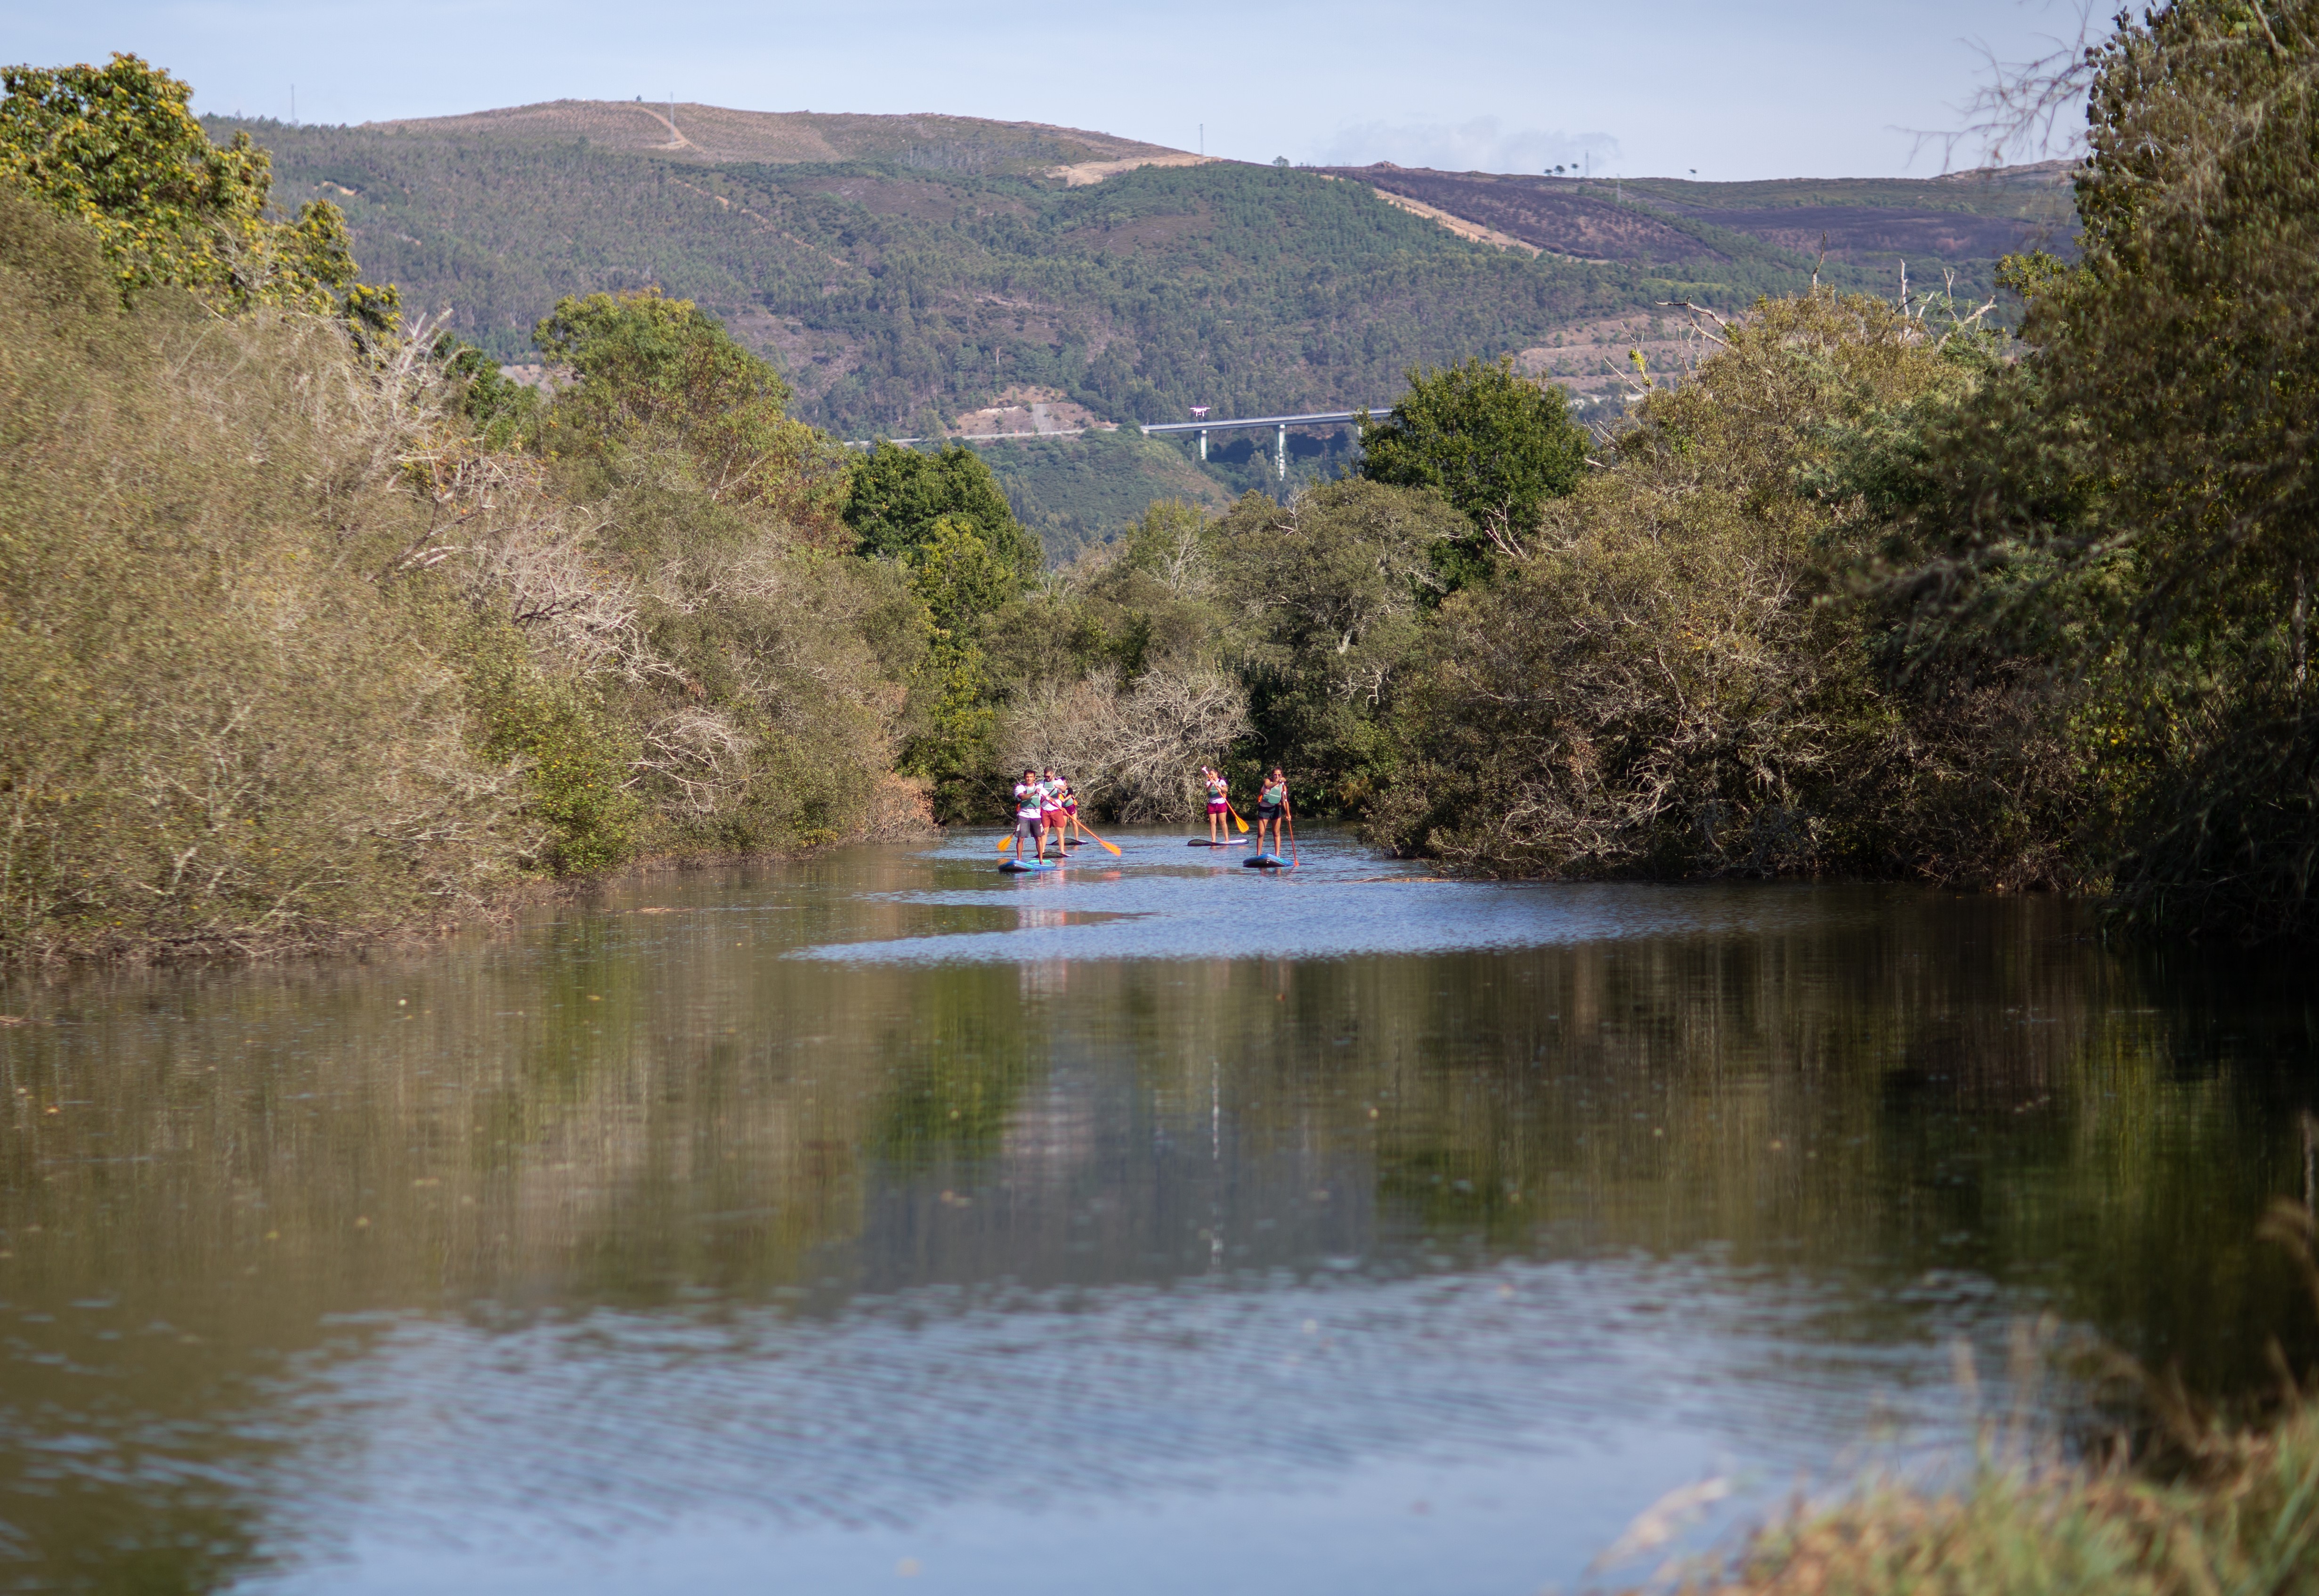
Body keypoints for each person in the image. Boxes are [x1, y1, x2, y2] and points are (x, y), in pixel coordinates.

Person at [1255, 767, 1291, 859]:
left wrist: (1288, 814)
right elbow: (1268, 787)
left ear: (1281, 776)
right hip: (1264, 810)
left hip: (1276, 809)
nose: (1277, 776)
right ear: (1272, 775)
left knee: (1276, 833)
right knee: (1261, 833)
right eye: (1275, 775)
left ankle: (1277, 855)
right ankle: (1258, 855)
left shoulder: (1283, 787)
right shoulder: (1268, 781)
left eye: (1279, 775)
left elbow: (1285, 801)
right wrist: (1278, 782)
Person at [1010, 768, 1044, 863]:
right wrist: (1034, 793)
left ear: (1034, 778)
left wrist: (1057, 805)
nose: (1029, 779)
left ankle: (1041, 861)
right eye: (1027, 777)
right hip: (1023, 815)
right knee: (1021, 838)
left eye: (1031, 777)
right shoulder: (1020, 788)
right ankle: (1019, 860)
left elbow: (1048, 798)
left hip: (1036, 815)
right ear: (1025, 778)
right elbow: (1023, 797)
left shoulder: (1040, 788)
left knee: (1039, 838)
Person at [1038, 767, 1067, 858]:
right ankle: (1042, 852)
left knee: (1059, 831)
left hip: (1056, 810)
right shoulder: (1041, 784)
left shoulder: (1058, 782)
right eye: (1045, 776)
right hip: (1045, 810)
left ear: (1052, 774)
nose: (1047, 778)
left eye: (1048, 776)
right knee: (1045, 832)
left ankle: (1062, 851)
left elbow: (1064, 789)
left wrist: (1059, 787)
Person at [1201, 765, 1231, 844]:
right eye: (1210, 774)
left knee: (1223, 821)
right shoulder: (1208, 782)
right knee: (1212, 822)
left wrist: (1218, 786)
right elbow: (1208, 791)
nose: (1211, 776)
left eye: (1212, 774)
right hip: (1212, 804)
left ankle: (1227, 840)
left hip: (1221, 804)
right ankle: (1213, 840)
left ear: (1216, 773)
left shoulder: (1222, 782)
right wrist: (1211, 784)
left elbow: (1226, 790)